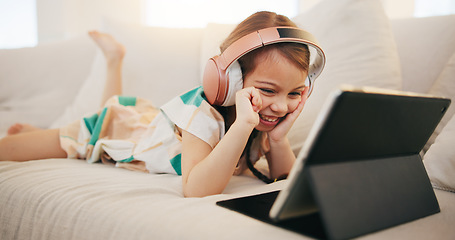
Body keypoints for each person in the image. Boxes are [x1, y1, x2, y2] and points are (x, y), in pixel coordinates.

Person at [0, 11, 323, 197]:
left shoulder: (264, 115)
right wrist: (242, 127)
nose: (281, 107)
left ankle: (112, 63)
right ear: (231, 80)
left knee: (118, 113)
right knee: (18, 146)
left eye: (295, 93)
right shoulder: (204, 114)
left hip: (149, 128)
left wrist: (277, 140)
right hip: (119, 132)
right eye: (269, 90)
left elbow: (285, 179)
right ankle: (114, 61)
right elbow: (197, 189)